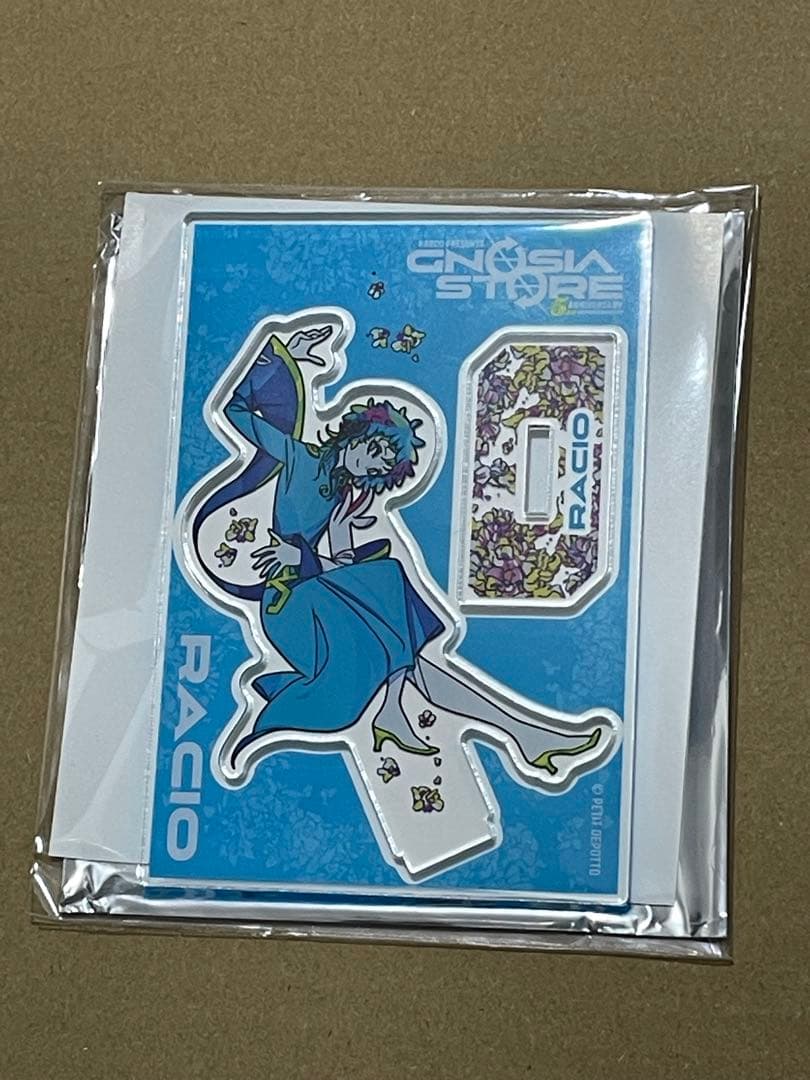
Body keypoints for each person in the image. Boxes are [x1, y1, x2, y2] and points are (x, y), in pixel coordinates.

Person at [193, 326, 605, 780]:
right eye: (375, 449)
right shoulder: (298, 456)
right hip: (286, 605)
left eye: (382, 464)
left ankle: (521, 735)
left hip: (321, 603)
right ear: (356, 433)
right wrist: (286, 358)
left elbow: (340, 565)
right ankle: (461, 723)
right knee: (390, 586)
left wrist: (337, 539)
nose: (371, 463)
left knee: (406, 641)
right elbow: (232, 410)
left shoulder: (345, 497)